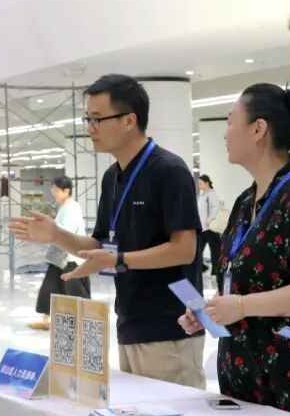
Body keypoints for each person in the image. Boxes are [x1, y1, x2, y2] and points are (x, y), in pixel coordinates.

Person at [11, 74, 205, 389]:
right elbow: (100, 244)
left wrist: (118, 260)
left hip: (173, 325)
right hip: (129, 321)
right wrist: (56, 235)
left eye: (97, 119)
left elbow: (184, 249)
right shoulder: (112, 177)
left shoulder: (170, 171)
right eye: (87, 119)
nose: (90, 128)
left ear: (129, 120)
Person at [179, 84, 290, 416]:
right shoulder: (246, 201)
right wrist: (211, 310)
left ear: (258, 129)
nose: (225, 133)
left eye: (231, 122)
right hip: (245, 386)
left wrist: (240, 306)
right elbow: (245, 285)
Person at [29, 175, 91, 331]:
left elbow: (65, 231)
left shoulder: (72, 208)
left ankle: (85, 320)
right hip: (59, 255)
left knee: (75, 291)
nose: (53, 192)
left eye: (56, 190)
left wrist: (48, 229)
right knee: (50, 287)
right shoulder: (64, 207)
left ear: (66, 191)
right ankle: (46, 319)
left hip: (71, 257)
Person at [196, 175, 223, 277]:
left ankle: (216, 272)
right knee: (198, 250)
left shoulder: (211, 194)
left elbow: (216, 207)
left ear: (207, 183)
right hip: (202, 228)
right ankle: (201, 268)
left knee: (215, 251)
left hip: (210, 228)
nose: (199, 185)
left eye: (200, 183)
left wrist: (210, 219)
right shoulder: (202, 195)